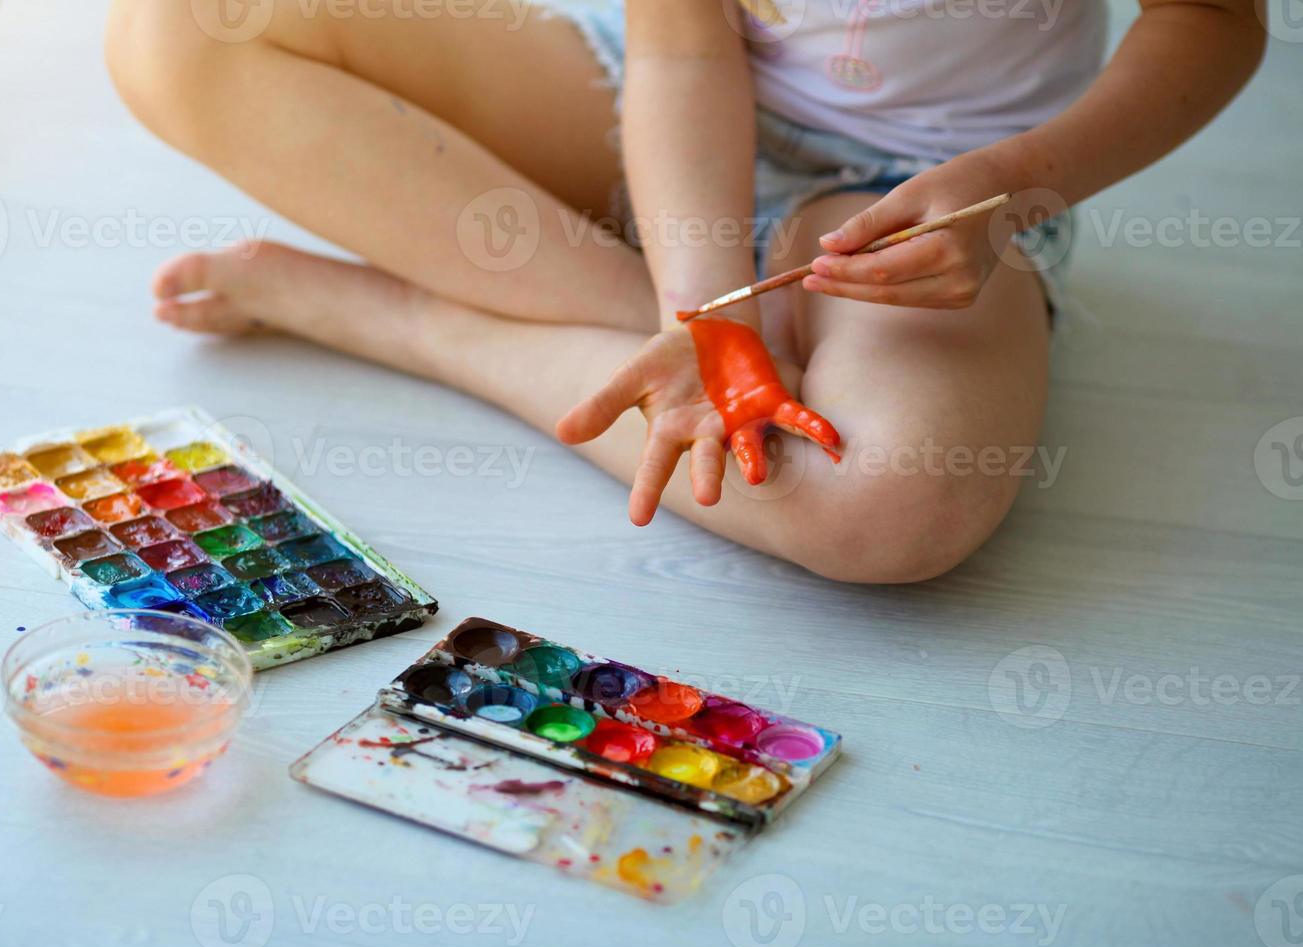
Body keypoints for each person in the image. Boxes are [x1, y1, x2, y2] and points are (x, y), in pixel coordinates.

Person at [104, 0, 1265, 582]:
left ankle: (412, 316)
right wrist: (704, 312)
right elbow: (680, 52)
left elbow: (1213, 20)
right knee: (185, 27)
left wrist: (1015, 189)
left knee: (894, 507)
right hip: (642, 97)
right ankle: (668, 336)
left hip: (923, 191)